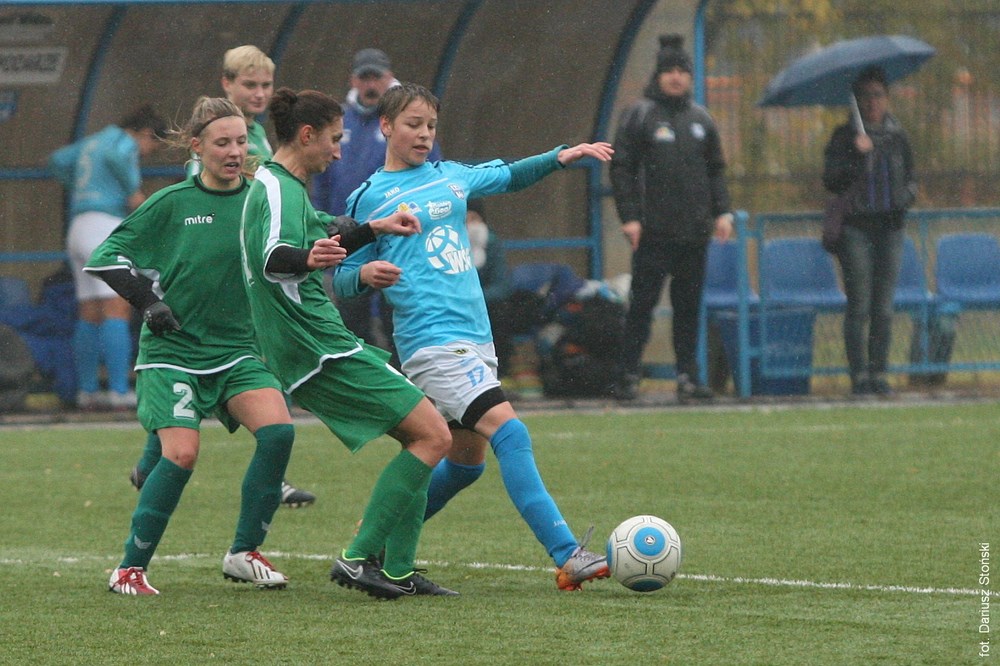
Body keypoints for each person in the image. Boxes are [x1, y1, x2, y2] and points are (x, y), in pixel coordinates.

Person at [334, 83, 614, 591]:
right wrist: (366, 273)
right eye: (413, 124)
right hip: (432, 342)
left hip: (474, 339)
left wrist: (559, 157)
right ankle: (567, 553)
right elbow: (341, 274)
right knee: (511, 432)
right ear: (386, 126)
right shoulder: (370, 196)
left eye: (431, 126)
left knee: (464, 463)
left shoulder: (451, 176)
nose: (424, 134)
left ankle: (378, 541)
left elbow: (508, 174)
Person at [240, 87, 456, 599]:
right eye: (335, 140)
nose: (339, 152)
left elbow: (320, 237)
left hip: (315, 344)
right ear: (307, 135)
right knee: (435, 436)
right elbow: (273, 257)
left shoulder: (285, 187)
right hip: (316, 345)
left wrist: (374, 227)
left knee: (422, 435)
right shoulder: (276, 188)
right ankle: (358, 559)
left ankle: (397, 568)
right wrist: (308, 259)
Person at [87, 97, 295, 595]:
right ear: (197, 148)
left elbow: (305, 234)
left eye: (241, 141)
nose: (234, 151)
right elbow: (106, 256)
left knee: (279, 434)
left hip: (237, 350)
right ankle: (129, 569)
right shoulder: (172, 202)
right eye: (222, 143)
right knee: (181, 455)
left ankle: (244, 552)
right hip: (174, 352)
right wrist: (149, 302)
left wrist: (358, 232)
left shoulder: (262, 199)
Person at [133, 45, 316, 509]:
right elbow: (211, 202)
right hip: (227, 277)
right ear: (226, 84)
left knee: (243, 370)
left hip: (249, 272)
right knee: (222, 369)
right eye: (249, 85)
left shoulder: (256, 136)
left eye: (266, 85)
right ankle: (165, 464)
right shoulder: (219, 142)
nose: (259, 93)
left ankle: (151, 464)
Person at [609, 34, 733, 403]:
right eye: (669, 71)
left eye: (682, 71)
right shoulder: (641, 115)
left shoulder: (701, 119)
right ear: (658, 75)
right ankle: (628, 374)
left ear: (690, 77)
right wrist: (630, 217)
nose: (676, 77)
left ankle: (687, 376)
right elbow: (622, 168)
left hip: (694, 232)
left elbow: (716, 170)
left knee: (688, 308)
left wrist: (722, 212)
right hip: (653, 232)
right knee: (642, 306)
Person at [310, 48, 442, 360]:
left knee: (397, 313)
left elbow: (433, 176)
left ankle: (408, 377)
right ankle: (368, 377)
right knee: (351, 316)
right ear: (353, 80)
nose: (371, 85)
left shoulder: (407, 122)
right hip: (351, 238)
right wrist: (323, 224)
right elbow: (322, 180)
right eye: (364, 77)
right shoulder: (340, 122)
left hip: (399, 237)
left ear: (389, 77)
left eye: (377, 77)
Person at [49, 103, 167, 410]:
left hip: (79, 226)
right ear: (145, 134)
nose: (146, 154)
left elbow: (58, 160)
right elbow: (117, 157)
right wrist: (131, 189)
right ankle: (118, 391)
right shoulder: (122, 142)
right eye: (152, 147)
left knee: (89, 310)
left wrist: (80, 187)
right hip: (104, 226)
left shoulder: (93, 140)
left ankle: (87, 391)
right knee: (117, 308)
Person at [823, 65, 916, 396]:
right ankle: (859, 376)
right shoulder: (843, 136)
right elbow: (831, 180)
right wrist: (854, 153)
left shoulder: (897, 136)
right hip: (856, 230)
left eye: (878, 95)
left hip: (890, 229)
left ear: (887, 98)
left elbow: (911, 179)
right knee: (859, 305)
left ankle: (879, 373)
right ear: (857, 101)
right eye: (865, 96)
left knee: (883, 308)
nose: (872, 102)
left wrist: (905, 198)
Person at [465, 198, 515, 374]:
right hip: (454, 305)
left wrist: (473, 299)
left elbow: (501, 286)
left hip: (485, 305)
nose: (470, 225)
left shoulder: (491, 244)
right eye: (465, 220)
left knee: (501, 312)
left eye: (474, 219)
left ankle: (501, 369)